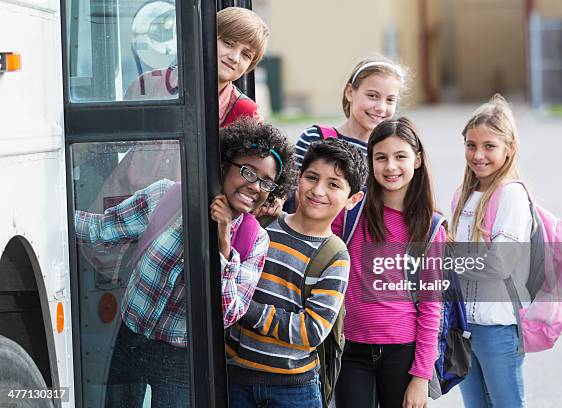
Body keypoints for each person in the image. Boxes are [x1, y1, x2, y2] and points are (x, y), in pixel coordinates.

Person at [74, 119, 296, 407]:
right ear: (223, 165)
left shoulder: (254, 240)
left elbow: (227, 314)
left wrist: (223, 245)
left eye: (266, 182)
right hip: (127, 338)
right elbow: (101, 230)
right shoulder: (167, 196)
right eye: (247, 171)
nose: (255, 186)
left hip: (180, 358)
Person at [225, 138, 367, 408]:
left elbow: (312, 331)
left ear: (353, 199)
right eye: (312, 177)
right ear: (298, 177)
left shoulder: (334, 256)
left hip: (294, 389)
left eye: (334, 184)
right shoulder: (262, 225)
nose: (318, 190)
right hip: (236, 378)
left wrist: (244, 309)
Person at [332, 117, 444, 408]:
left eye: (400, 157)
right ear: (371, 162)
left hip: (403, 353)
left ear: (417, 160)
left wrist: (421, 377)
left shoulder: (430, 228)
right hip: (351, 347)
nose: (390, 166)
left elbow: (432, 306)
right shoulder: (352, 213)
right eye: (381, 157)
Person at [450, 94, 531, 408]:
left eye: (489, 146)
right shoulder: (464, 195)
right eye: (471, 145)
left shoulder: (511, 194)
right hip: (464, 326)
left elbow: (499, 264)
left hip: (497, 325)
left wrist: (447, 259)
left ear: (509, 148)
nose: (478, 155)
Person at [278, 56, 408, 214]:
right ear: (350, 92)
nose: (381, 107)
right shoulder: (316, 136)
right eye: (372, 96)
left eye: (390, 100)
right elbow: (289, 189)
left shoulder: (386, 156)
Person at [126, 6, 269, 127]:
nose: (234, 58)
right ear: (206, 38)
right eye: (228, 43)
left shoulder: (246, 113)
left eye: (246, 55)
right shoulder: (148, 84)